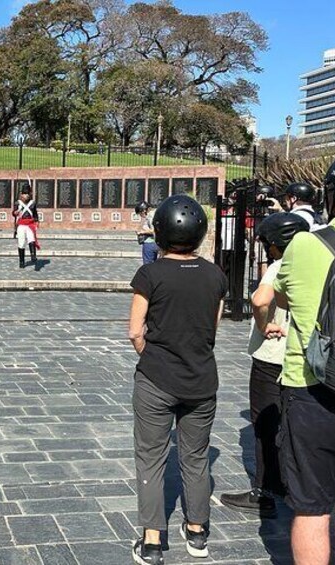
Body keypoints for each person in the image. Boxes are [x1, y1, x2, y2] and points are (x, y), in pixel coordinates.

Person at [272, 149, 335, 565]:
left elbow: (279, 295)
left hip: (311, 388)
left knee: (312, 508)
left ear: (333, 194)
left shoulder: (305, 245)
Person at [128, 195, 227, 565]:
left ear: (161, 231)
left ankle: (152, 541)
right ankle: (198, 531)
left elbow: (136, 331)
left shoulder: (150, 274)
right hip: (201, 379)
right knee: (196, 457)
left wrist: (154, 357)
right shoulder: (215, 275)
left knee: (151, 458)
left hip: (156, 379)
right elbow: (209, 332)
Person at [219, 212, 310, 518]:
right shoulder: (316, 264)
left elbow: (259, 300)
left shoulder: (278, 266)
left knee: (265, 423)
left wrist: (262, 325)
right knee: (294, 422)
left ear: (275, 244)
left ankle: (264, 491)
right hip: (303, 355)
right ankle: (291, 484)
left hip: (271, 355)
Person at [13, 185, 39, 269]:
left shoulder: (33, 203)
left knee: (31, 239)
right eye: (24, 194)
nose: (26, 195)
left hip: (30, 224)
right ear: (21, 194)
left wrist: (36, 220)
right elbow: (14, 213)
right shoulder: (18, 203)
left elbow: (35, 213)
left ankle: (33, 255)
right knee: (21, 243)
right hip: (21, 224)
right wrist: (15, 212)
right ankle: (21, 261)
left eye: (27, 194)